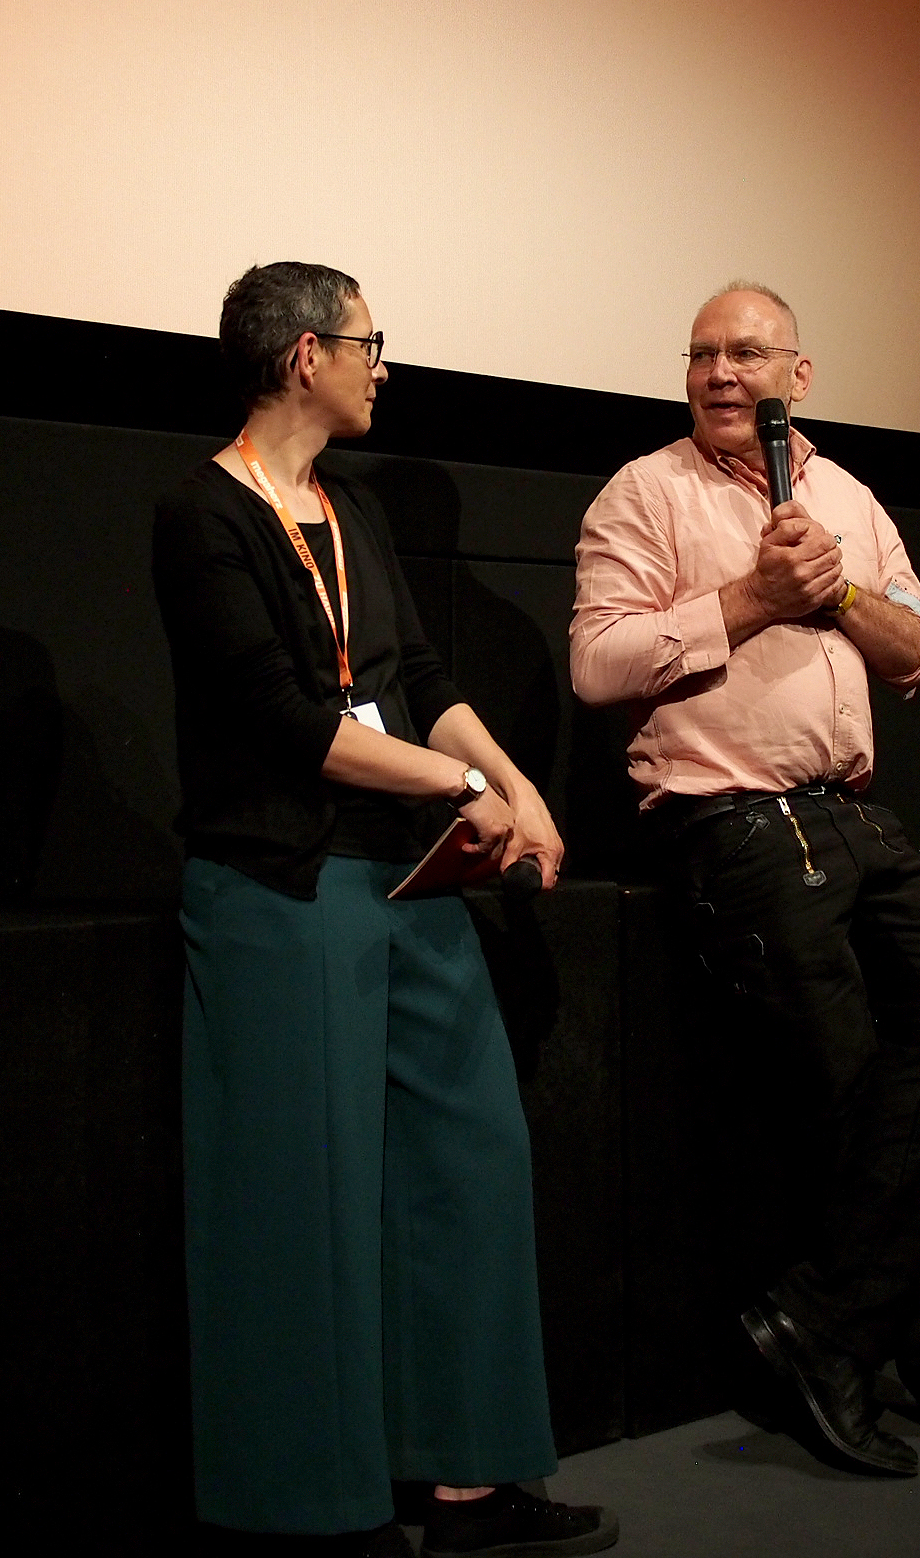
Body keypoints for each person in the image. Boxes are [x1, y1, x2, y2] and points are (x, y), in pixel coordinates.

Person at [568, 282, 920, 1480]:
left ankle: (823, 1320)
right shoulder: (644, 493)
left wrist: (838, 589)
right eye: (700, 353)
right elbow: (598, 667)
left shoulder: (849, 497)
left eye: (746, 353)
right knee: (853, 1099)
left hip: (852, 815)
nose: (719, 373)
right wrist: (754, 598)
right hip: (733, 824)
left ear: (797, 377)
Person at [154, 262, 617, 1556]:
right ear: (305, 355)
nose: (383, 366)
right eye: (369, 343)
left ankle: (466, 1480)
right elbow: (286, 719)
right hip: (282, 886)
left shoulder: (349, 508)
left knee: (471, 1156)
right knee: (303, 1196)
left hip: (406, 879)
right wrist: (461, 786)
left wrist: (515, 787)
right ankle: (313, 1505)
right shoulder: (201, 514)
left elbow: (413, 675)